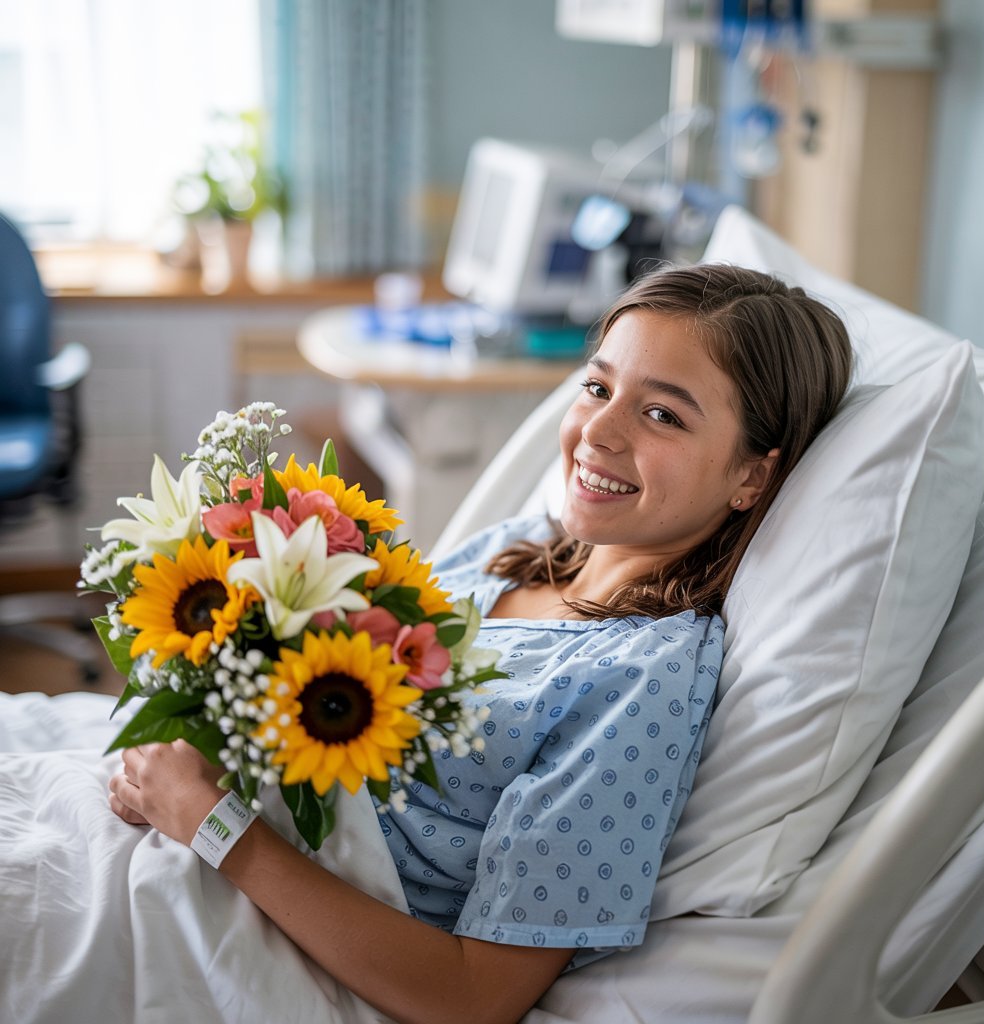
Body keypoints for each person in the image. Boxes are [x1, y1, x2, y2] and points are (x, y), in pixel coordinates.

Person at [106, 263, 853, 1024]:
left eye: (664, 415)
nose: (598, 430)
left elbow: (474, 996)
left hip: (250, 914)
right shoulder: (513, 550)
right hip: (182, 832)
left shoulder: (641, 680)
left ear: (752, 480)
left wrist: (212, 822)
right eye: (597, 388)